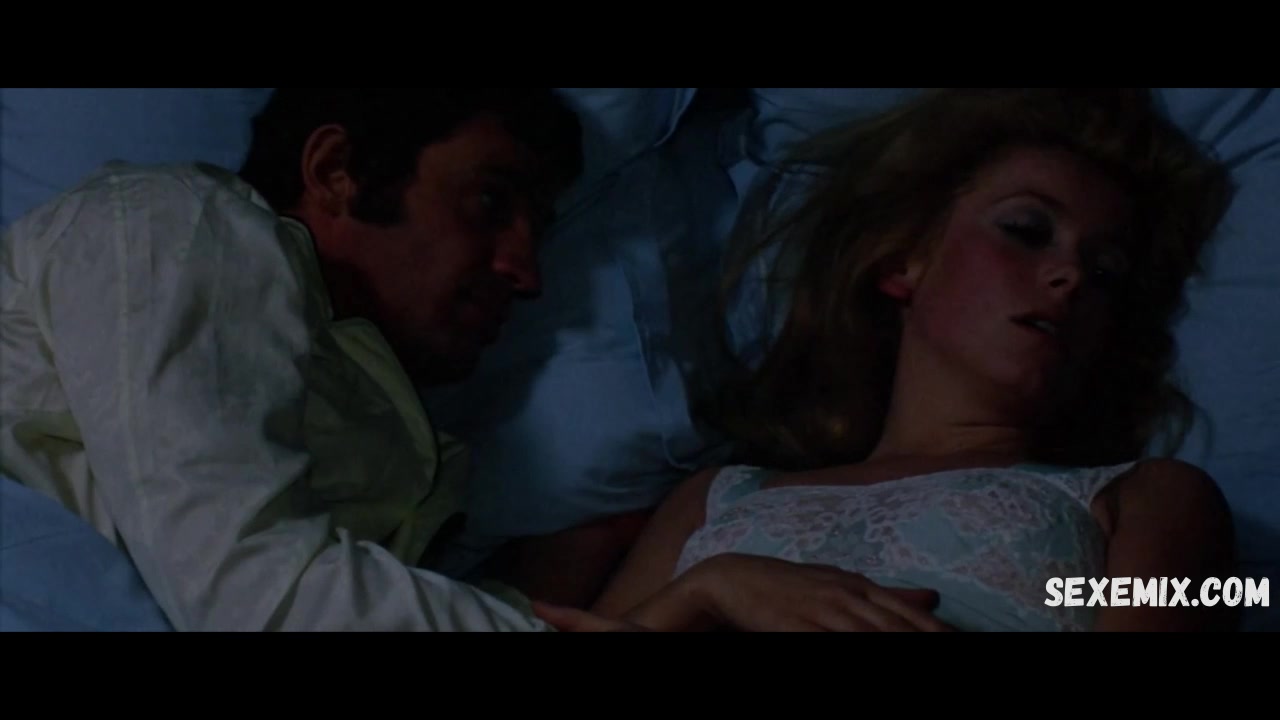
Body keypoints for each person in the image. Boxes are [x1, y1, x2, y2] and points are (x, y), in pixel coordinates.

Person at [538, 88, 1242, 632]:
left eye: (1106, 272)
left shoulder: (1148, 498)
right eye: (1027, 230)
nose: (1072, 277)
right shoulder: (712, 501)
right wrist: (709, 589)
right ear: (903, 261)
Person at [0, 88, 592, 631]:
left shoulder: (390, 434)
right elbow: (248, 592)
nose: (527, 272)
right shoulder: (183, 223)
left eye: (537, 232)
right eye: (489, 202)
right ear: (336, 171)